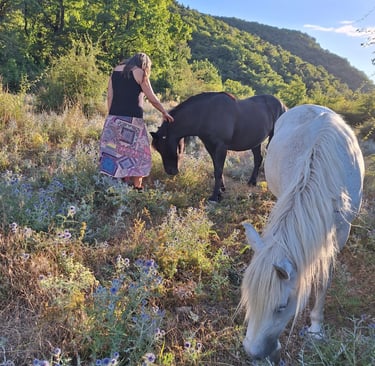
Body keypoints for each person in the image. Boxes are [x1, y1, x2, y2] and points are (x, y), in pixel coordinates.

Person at [99, 52, 174, 190]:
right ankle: (137, 188)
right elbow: (152, 98)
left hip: (113, 119)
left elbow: (109, 96)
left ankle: (112, 186)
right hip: (133, 123)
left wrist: (113, 116)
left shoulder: (116, 70)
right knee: (140, 155)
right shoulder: (140, 72)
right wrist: (164, 111)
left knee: (113, 151)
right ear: (144, 64)